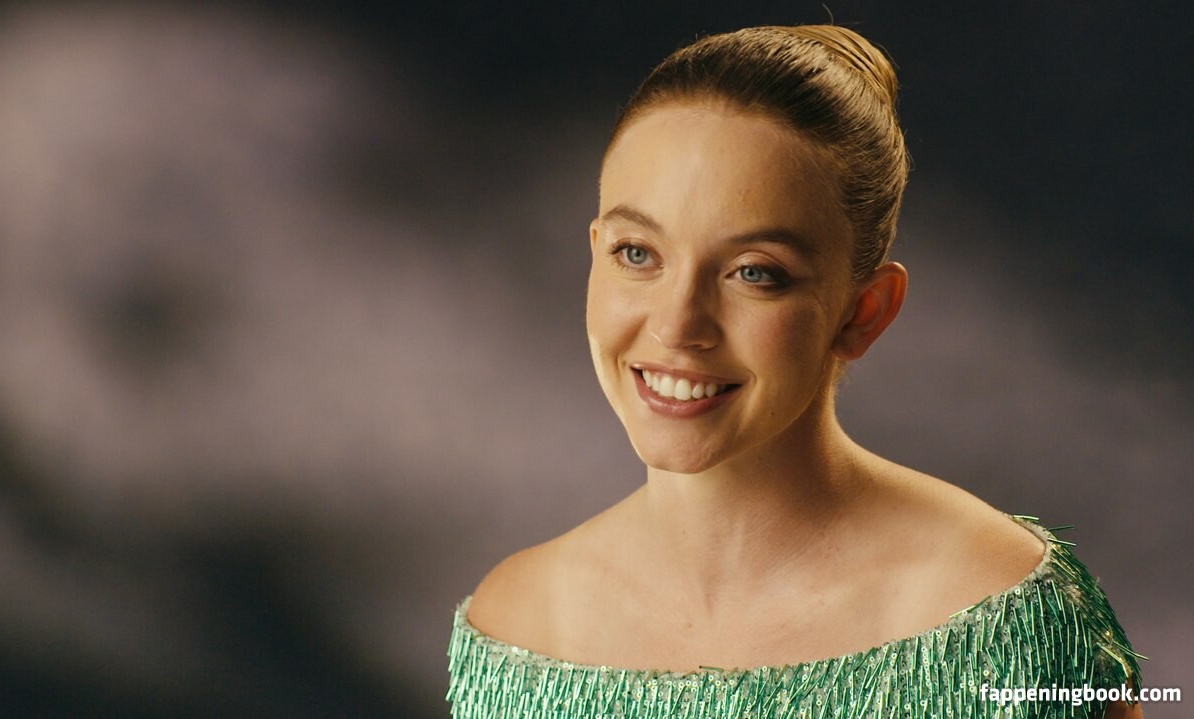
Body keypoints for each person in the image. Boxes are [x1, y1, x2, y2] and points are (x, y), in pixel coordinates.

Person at [446, 24, 1143, 719]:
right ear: (595, 251)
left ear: (864, 312)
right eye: (637, 254)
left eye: (755, 272)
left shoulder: (1002, 620)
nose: (677, 326)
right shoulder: (518, 625)